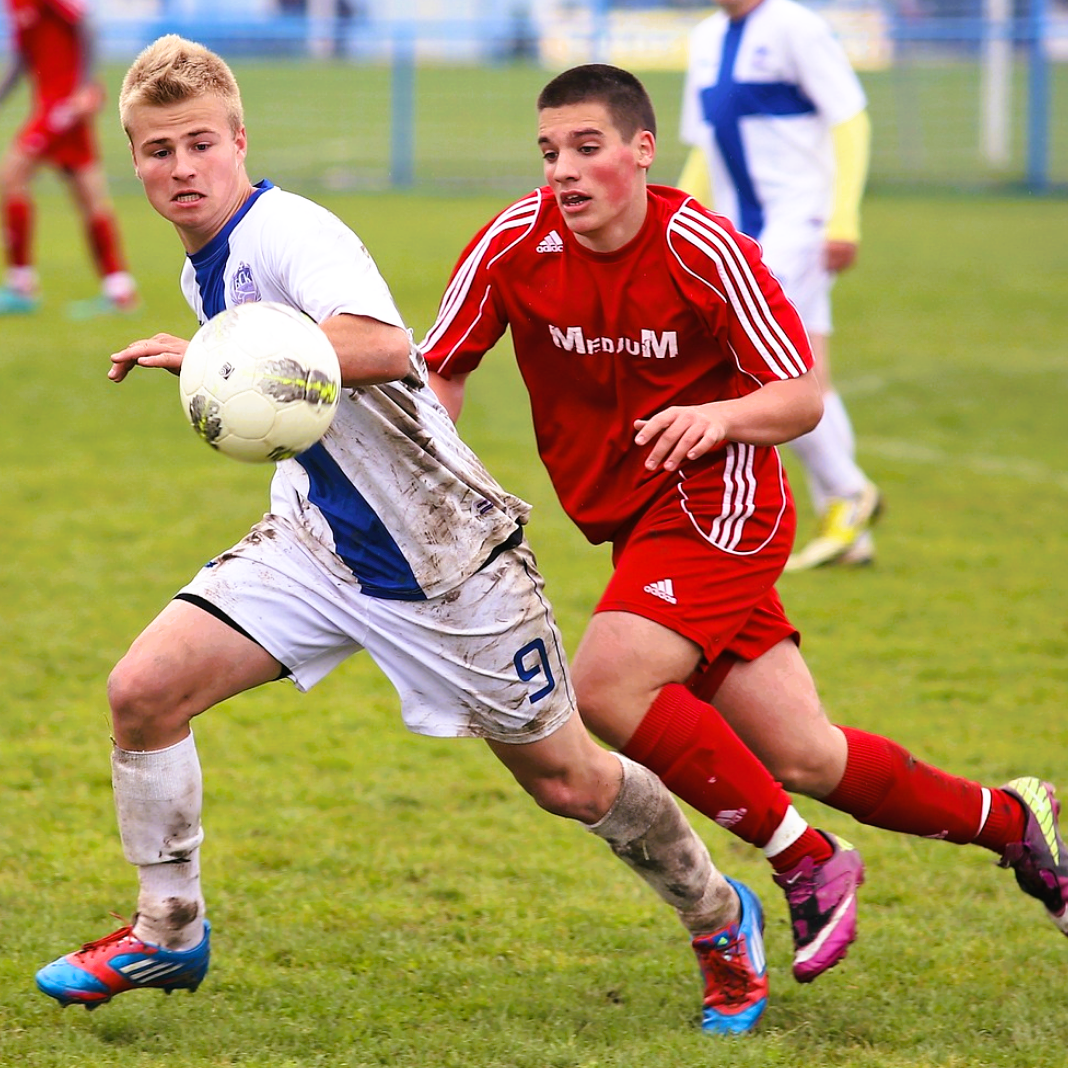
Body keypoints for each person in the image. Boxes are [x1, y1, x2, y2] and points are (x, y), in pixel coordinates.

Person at [29, 35, 844, 1039]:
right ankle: (168, 925)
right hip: (322, 545)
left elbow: (380, 344)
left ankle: (720, 914)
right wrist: (220, 351)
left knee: (571, 780)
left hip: (453, 564)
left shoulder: (291, 232)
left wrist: (225, 351)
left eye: (200, 143)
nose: (181, 168)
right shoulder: (210, 262)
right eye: (157, 152)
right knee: (141, 692)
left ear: (240, 141)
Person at [421, 63, 1068, 981]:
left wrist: (719, 417)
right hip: (634, 527)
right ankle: (1016, 823)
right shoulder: (513, 244)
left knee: (606, 685)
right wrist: (426, 472)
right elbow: (439, 367)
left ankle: (808, 862)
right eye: (549, 150)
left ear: (642, 152)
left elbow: (802, 394)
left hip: (721, 507)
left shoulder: (702, 246)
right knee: (807, 755)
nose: (563, 169)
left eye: (586, 147)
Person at [677, 0, 878, 570]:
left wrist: (843, 217)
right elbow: (707, 144)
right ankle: (850, 526)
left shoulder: (795, 25)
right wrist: (679, 217)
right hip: (745, 234)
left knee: (757, 370)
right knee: (807, 369)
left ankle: (848, 490)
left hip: (801, 227)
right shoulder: (706, 38)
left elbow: (850, 119)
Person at [0, 0, 137, 317]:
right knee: (89, 193)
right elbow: (23, 59)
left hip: (65, 103)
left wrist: (84, 87)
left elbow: (87, 24)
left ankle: (21, 284)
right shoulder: (13, 5)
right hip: (52, 103)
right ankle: (119, 289)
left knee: (12, 177)